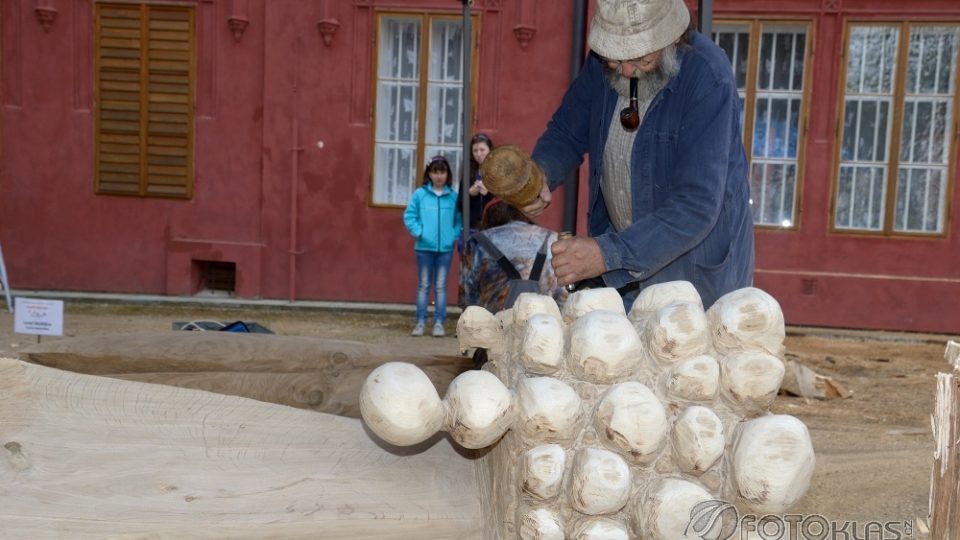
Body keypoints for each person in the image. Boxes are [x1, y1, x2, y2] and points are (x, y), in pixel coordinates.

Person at [523, 0, 754, 309]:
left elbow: (696, 204)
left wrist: (606, 254)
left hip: (692, 277)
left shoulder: (708, 78)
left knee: (679, 353)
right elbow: (567, 131)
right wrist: (541, 173)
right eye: (615, 61)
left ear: (672, 38)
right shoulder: (602, 64)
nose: (627, 70)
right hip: (623, 269)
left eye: (641, 60)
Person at [459, 200, 567, 314]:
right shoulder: (552, 239)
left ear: (488, 217)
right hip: (543, 324)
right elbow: (562, 295)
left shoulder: (477, 242)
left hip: (493, 325)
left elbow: (467, 298)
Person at [403, 156, 462, 337]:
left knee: (441, 286)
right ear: (429, 174)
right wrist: (420, 232)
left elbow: (459, 220)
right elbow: (409, 216)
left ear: (447, 174)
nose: (438, 176)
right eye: (435, 172)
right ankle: (420, 322)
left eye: (442, 172)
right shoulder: (420, 195)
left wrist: (453, 235)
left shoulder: (453, 197)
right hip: (423, 249)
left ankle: (439, 323)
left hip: (445, 250)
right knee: (423, 286)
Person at [456, 133, 497, 234]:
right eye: (475, 151)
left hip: (492, 229)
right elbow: (459, 206)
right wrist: (469, 194)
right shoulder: (468, 173)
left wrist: (488, 194)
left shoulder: (498, 173)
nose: (478, 154)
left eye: (482, 150)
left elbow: (504, 205)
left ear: (490, 150)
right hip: (470, 229)